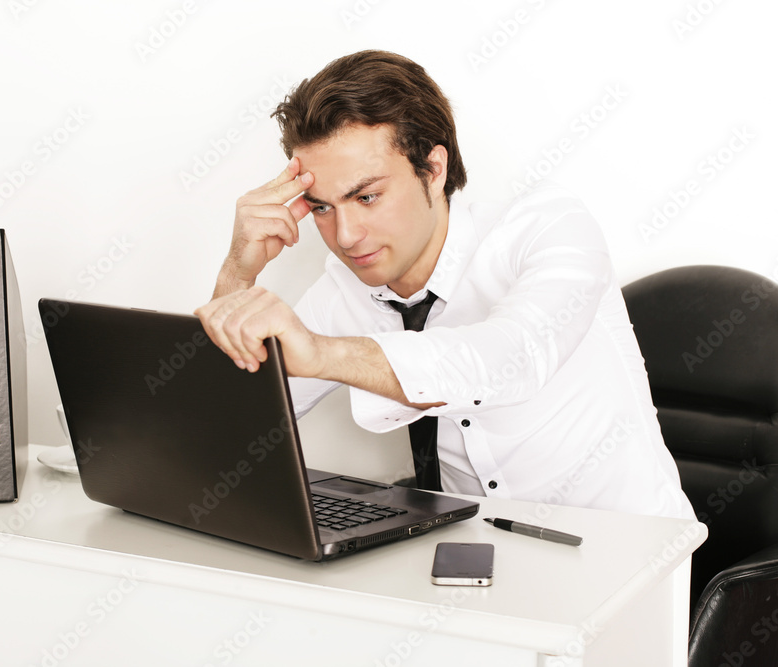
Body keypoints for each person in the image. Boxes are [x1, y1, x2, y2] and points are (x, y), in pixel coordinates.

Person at [194, 50, 694, 520]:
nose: (344, 236)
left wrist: (325, 354)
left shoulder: (548, 228)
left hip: (629, 553)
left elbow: (510, 359)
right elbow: (225, 432)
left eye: (366, 198)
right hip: (476, 558)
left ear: (434, 169)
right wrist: (237, 276)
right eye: (322, 207)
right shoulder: (342, 290)